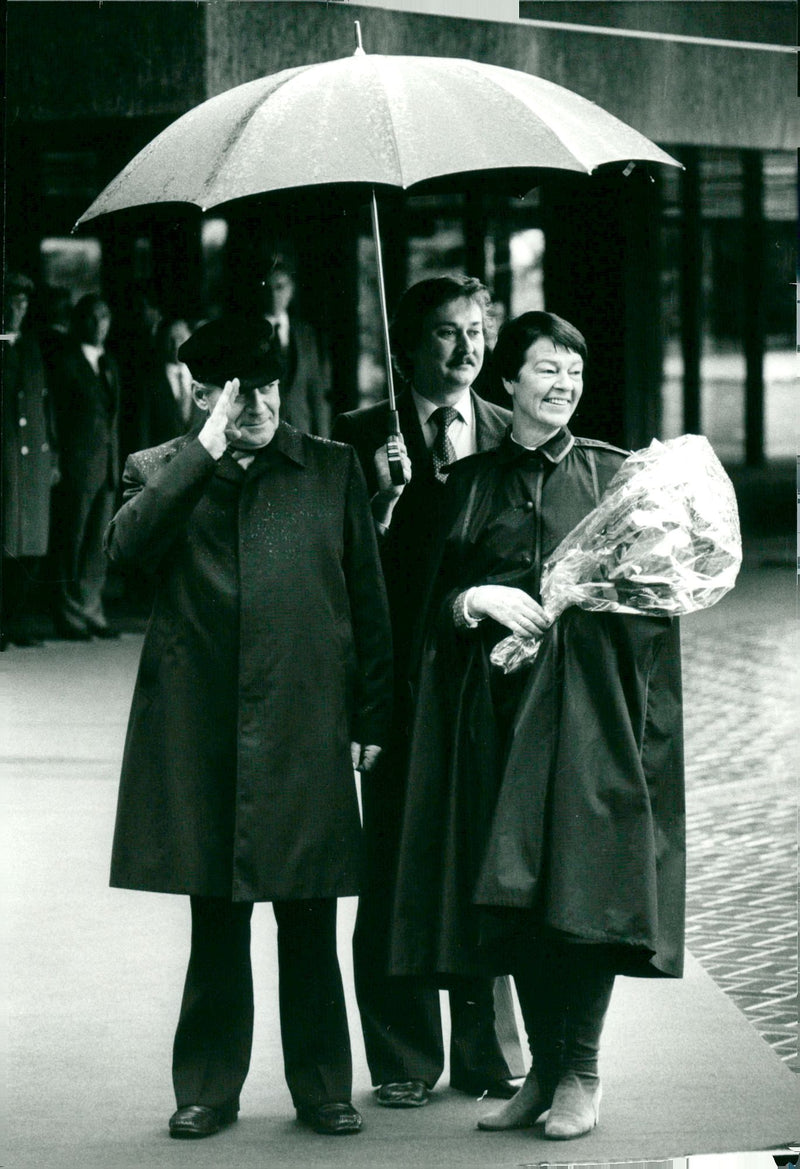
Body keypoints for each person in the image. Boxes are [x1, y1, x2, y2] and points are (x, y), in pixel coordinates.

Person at [388, 311, 685, 1139]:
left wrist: (574, 612)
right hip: (493, 721)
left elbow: (657, 605)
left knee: (582, 889)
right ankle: (544, 1070)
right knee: (512, 891)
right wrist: (471, 601)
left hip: (590, 724)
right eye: (547, 369)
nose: (563, 385)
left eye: (574, 372)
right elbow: (427, 607)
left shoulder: (615, 476)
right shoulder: (467, 483)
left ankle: (582, 1070)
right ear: (507, 381)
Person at [105, 316, 393, 1140]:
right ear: (200, 393)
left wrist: (373, 711)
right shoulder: (160, 470)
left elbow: (368, 604)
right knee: (216, 915)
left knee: (309, 917)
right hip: (204, 731)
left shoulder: (330, 468)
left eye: (269, 387)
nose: (259, 405)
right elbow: (124, 556)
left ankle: (324, 1085)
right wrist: (201, 449)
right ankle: (206, 1086)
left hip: (308, 723)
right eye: (237, 391)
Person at [332, 275, 525, 1108]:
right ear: (408, 345)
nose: (468, 346)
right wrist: (379, 501)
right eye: (447, 332)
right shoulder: (358, 437)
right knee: (396, 862)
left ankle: (485, 1050)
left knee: (484, 857)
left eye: (477, 329)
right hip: (400, 682)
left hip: (483, 681)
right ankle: (404, 1055)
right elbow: (335, 572)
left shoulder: (509, 431)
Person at [49, 294, 120, 639]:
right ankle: (69, 614)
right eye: (91, 318)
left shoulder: (109, 363)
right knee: (71, 542)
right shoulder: (66, 362)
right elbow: (56, 418)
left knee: (97, 543)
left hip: (105, 467)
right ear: (79, 322)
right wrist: (58, 460)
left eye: (104, 316)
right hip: (76, 467)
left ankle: (92, 610)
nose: (99, 324)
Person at [1, 272, 60, 649]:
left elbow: (45, 402)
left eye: (22, 303)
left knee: (31, 541)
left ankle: (15, 620)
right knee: (6, 538)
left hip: (34, 458)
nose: (15, 310)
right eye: (9, 302)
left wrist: (53, 452)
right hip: (6, 457)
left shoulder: (32, 346)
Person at [255, 258, 332, 437]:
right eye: (268, 288)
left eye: (280, 287)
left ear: (291, 290)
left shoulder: (305, 334)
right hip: (264, 435)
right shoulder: (251, 333)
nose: (274, 295)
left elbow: (316, 393)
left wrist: (323, 440)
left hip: (300, 432)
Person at [140, 317, 202, 446]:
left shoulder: (203, 377)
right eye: (170, 339)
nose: (176, 346)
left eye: (181, 338)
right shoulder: (149, 382)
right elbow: (143, 431)